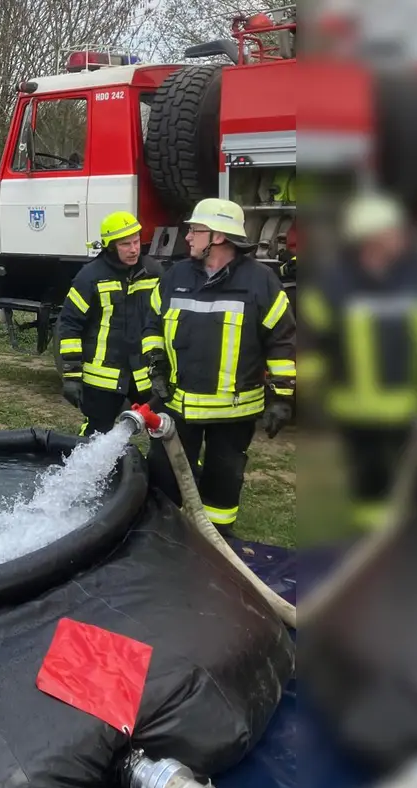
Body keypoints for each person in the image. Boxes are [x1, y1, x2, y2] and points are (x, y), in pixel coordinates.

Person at [141, 198, 296, 538]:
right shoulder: (176, 276)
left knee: (223, 483)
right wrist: (156, 364)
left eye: (195, 231)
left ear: (219, 237)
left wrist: (282, 396)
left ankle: (218, 544)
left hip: (235, 413)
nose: (188, 238)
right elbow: (152, 324)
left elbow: (282, 342)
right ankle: (160, 541)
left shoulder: (261, 283)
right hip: (178, 408)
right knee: (165, 476)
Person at [298, 193, 417, 531]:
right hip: (355, 409)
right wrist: (311, 392)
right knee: (369, 482)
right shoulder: (335, 285)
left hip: (409, 405)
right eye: (393, 232)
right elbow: (315, 342)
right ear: (372, 238)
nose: (401, 239)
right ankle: (372, 542)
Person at [57, 211, 164, 434]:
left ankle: (177, 469)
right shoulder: (89, 277)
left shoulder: (153, 273)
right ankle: (85, 470)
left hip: (145, 374)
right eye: (126, 244)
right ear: (110, 246)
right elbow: (69, 325)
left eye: (136, 241)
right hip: (102, 378)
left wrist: (164, 369)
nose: (134, 249)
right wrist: (71, 374)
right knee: (96, 434)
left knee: (166, 429)